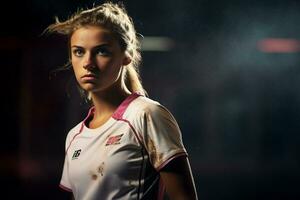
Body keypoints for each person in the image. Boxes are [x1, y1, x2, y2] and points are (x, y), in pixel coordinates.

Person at [46, 1, 198, 200]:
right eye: (79, 51)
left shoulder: (146, 115)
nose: (88, 63)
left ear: (127, 55)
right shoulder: (74, 136)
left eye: (101, 51)